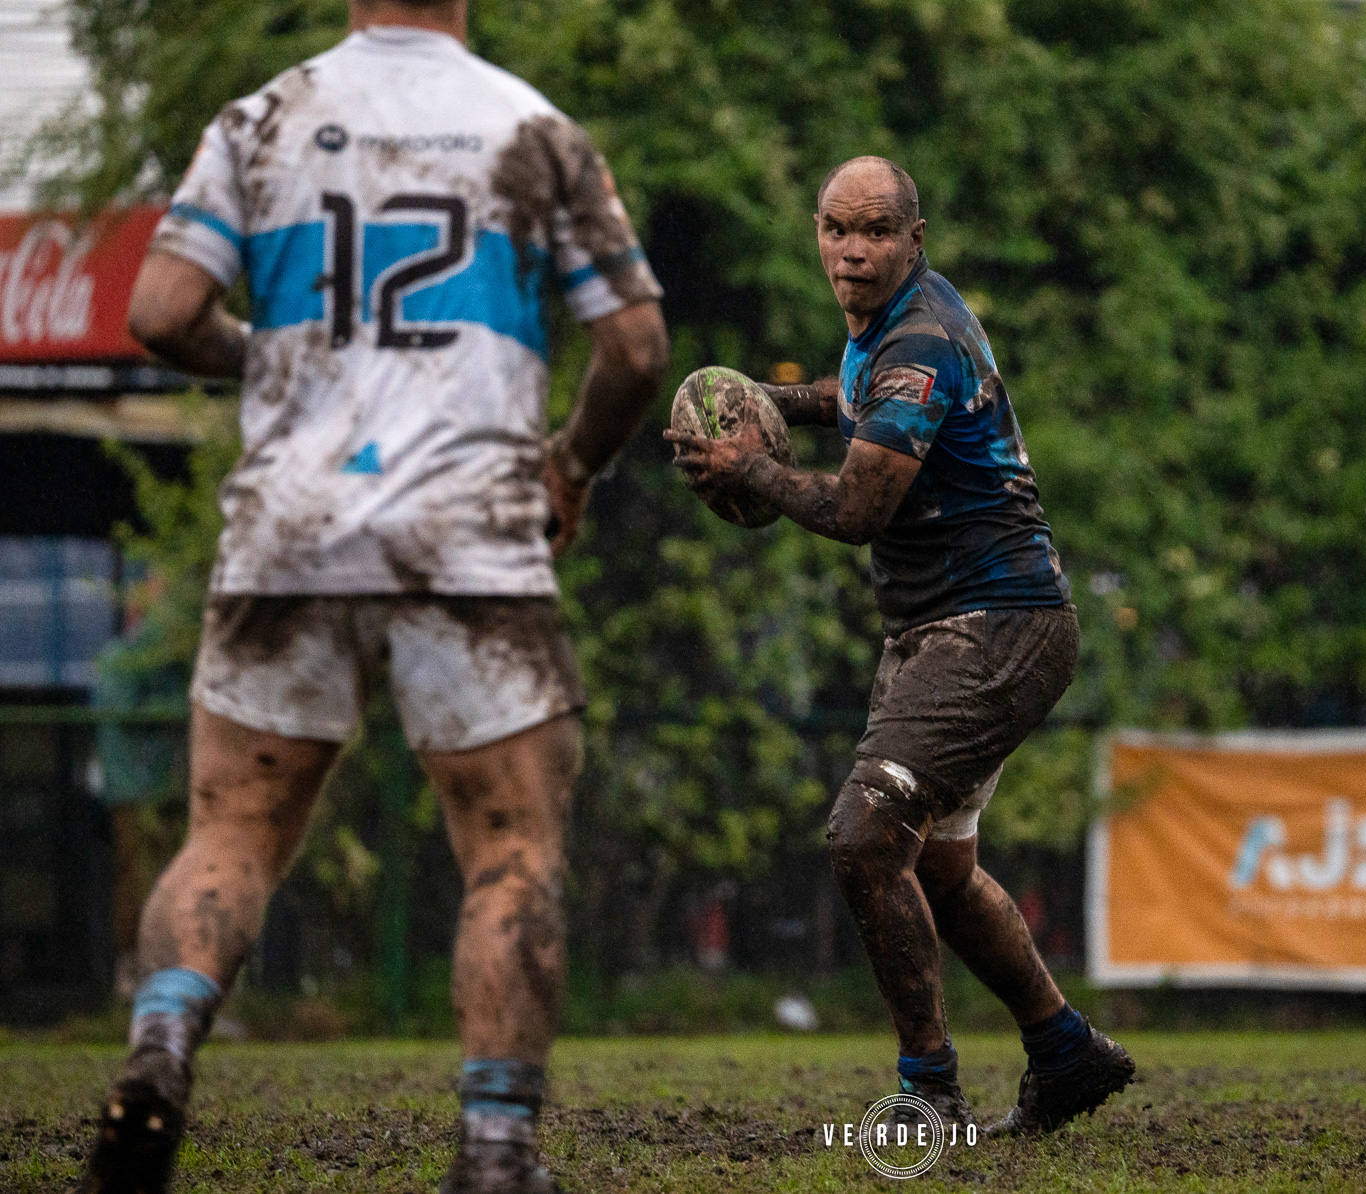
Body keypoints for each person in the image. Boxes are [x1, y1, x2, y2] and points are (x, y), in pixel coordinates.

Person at [82, 2, 668, 1191]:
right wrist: (573, 463)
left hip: (291, 531)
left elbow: (160, 316)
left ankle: (161, 1046)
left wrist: (281, 357)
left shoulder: (262, 119)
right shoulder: (535, 130)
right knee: (510, 848)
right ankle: (497, 1147)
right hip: (469, 537)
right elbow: (637, 348)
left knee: (231, 834)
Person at [667, 155, 1134, 1134]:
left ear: (913, 241)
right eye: (838, 229)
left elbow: (851, 510)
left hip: (995, 630)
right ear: (817, 233)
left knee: (865, 836)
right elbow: (858, 405)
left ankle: (928, 1088)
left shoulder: (917, 341)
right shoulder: (885, 331)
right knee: (941, 872)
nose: (854, 251)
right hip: (948, 631)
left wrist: (750, 467)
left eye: (877, 231)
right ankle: (1064, 1051)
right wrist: (771, 399)